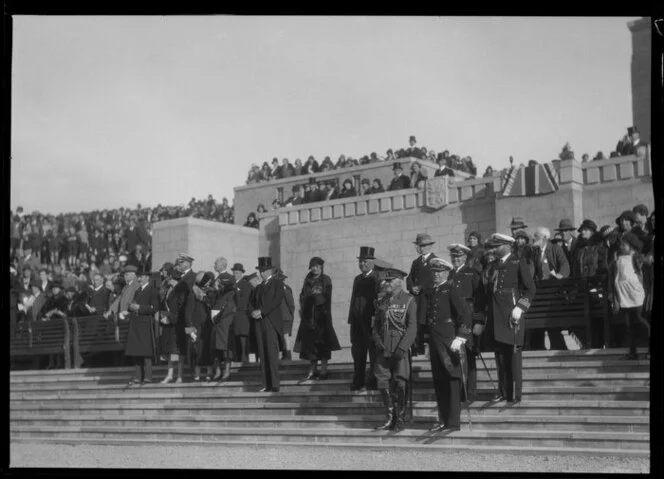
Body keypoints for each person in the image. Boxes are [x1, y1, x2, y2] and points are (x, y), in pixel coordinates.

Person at [483, 233, 537, 404]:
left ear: (507, 245)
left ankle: (515, 394)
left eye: (496, 246)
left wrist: (520, 308)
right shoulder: (492, 266)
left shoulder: (518, 262)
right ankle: (503, 392)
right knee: (499, 356)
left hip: (511, 315)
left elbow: (530, 289)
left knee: (513, 356)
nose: (493, 249)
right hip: (495, 315)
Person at [425, 257, 473, 432]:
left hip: (449, 341)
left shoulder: (451, 289)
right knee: (439, 381)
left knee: (452, 379)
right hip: (435, 341)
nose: (435, 275)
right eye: (433, 272)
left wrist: (461, 336)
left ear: (446, 272)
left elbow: (465, 313)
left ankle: (453, 421)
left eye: (438, 272)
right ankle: (443, 419)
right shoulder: (434, 291)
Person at [372, 267, 417, 433]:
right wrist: (377, 340)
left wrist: (403, 347)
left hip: (400, 348)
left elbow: (412, 327)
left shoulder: (409, 300)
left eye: (390, 280)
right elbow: (376, 325)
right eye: (386, 280)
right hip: (383, 348)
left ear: (400, 281)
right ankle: (390, 418)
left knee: (400, 382)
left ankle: (401, 418)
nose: (386, 283)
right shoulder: (382, 301)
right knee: (383, 382)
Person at [446, 244, 486, 403]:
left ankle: (470, 394)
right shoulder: (448, 275)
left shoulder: (472, 274)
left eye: (459, 257)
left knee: (469, 357)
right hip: (451, 322)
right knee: (454, 356)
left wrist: (478, 321)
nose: (456, 259)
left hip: (468, 321)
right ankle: (458, 393)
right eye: (453, 257)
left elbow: (480, 300)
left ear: (465, 258)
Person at [294, 257, 341, 379]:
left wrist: (316, 299)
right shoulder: (307, 280)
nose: (314, 269)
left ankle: (323, 370)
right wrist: (303, 307)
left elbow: (326, 297)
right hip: (309, 317)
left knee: (323, 344)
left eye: (316, 266)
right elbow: (302, 295)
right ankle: (312, 370)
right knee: (310, 346)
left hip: (322, 317)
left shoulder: (325, 279)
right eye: (312, 267)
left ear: (321, 267)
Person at [608, 232, 650, 360]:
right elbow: (612, 276)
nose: (621, 246)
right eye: (621, 244)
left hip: (635, 295)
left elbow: (644, 272)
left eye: (624, 244)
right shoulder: (617, 258)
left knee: (640, 320)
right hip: (623, 295)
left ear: (632, 245)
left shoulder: (636, 257)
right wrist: (612, 293)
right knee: (628, 325)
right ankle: (632, 352)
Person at [530, 227, 570, 350]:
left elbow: (564, 264)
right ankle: (537, 346)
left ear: (544, 238)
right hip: (540, 291)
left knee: (552, 320)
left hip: (553, 291)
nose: (533, 238)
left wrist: (561, 275)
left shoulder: (555, 248)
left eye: (536, 236)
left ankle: (558, 346)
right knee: (537, 318)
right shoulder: (534, 251)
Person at [348, 246, 379, 391]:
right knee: (358, 354)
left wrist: (376, 321)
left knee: (373, 354)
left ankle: (372, 381)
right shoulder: (357, 279)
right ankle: (358, 380)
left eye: (365, 261)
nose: (362, 264)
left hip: (370, 322)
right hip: (357, 324)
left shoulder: (377, 277)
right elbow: (353, 300)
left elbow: (379, 301)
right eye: (360, 261)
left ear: (372, 262)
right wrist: (351, 320)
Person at [250, 257, 284, 392]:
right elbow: (251, 303)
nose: (263, 273)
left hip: (270, 321)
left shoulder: (277, 283)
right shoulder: (258, 287)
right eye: (261, 271)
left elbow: (276, 301)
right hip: (259, 322)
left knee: (271, 352)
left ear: (270, 270)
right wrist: (253, 312)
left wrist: (262, 311)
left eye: (265, 270)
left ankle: (274, 384)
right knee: (262, 354)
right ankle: (266, 383)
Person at [124, 267, 160, 385]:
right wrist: (130, 308)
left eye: (141, 277)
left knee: (146, 353)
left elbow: (154, 308)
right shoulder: (137, 291)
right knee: (136, 352)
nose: (139, 279)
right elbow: (134, 304)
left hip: (145, 323)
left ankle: (148, 377)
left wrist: (139, 307)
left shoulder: (153, 290)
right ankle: (138, 377)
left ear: (147, 278)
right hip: (136, 324)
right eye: (138, 277)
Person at [406, 233, 438, 356]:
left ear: (429, 246)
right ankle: (417, 347)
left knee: (426, 321)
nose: (421, 248)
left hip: (428, 297)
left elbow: (435, 278)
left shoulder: (435, 261)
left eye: (424, 246)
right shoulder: (416, 262)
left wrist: (422, 287)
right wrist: (411, 287)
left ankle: (428, 346)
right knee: (416, 321)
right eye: (419, 245)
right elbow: (410, 277)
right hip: (416, 298)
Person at [207, 258, 236, 381]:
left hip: (225, 314)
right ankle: (218, 369)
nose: (214, 265)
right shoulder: (215, 279)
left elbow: (228, 290)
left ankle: (227, 369)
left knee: (224, 343)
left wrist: (217, 288)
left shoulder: (228, 277)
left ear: (223, 265)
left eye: (216, 263)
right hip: (215, 314)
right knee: (216, 344)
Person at [158, 263, 187, 384]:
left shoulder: (180, 290)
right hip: (168, 324)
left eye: (170, 278)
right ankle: (170, 374)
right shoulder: (169, 290)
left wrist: (170, 316)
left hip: (177, 324)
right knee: (170, 350)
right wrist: (163, 316)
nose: (168, 280)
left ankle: (179, 375)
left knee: (177, 351)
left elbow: (182, 307)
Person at [190, 271, 218, 381]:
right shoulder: (193, 292)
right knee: (196, 349)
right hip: (196, 325)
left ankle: (209, 372)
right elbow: (189, 311)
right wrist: (189, 328)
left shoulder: (212, 292)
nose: (208, 283)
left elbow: (214, 305)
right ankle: (197, 374)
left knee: (208, 348)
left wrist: (207, 296)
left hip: (208, 324)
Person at [231, 263, 252, 363]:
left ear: (241, 273)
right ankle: (237, 357)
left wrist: (235, 306)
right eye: (234, 272)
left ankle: (244, 357)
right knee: (235, 338)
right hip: (233, 315)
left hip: (242, 314)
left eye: (237, 272)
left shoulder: (246, 285)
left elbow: (244, 300)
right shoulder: (232, 284)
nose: (235, 274)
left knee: (243, 337)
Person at [274, 268, 295, 361]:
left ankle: (287, 354)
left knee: (285, 336)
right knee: (280, 336)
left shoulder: (285, 289)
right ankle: (283, 354)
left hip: (285, 317)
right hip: (279, 316)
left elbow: (291, 303)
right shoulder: (276, 288)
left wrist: (291, 314)